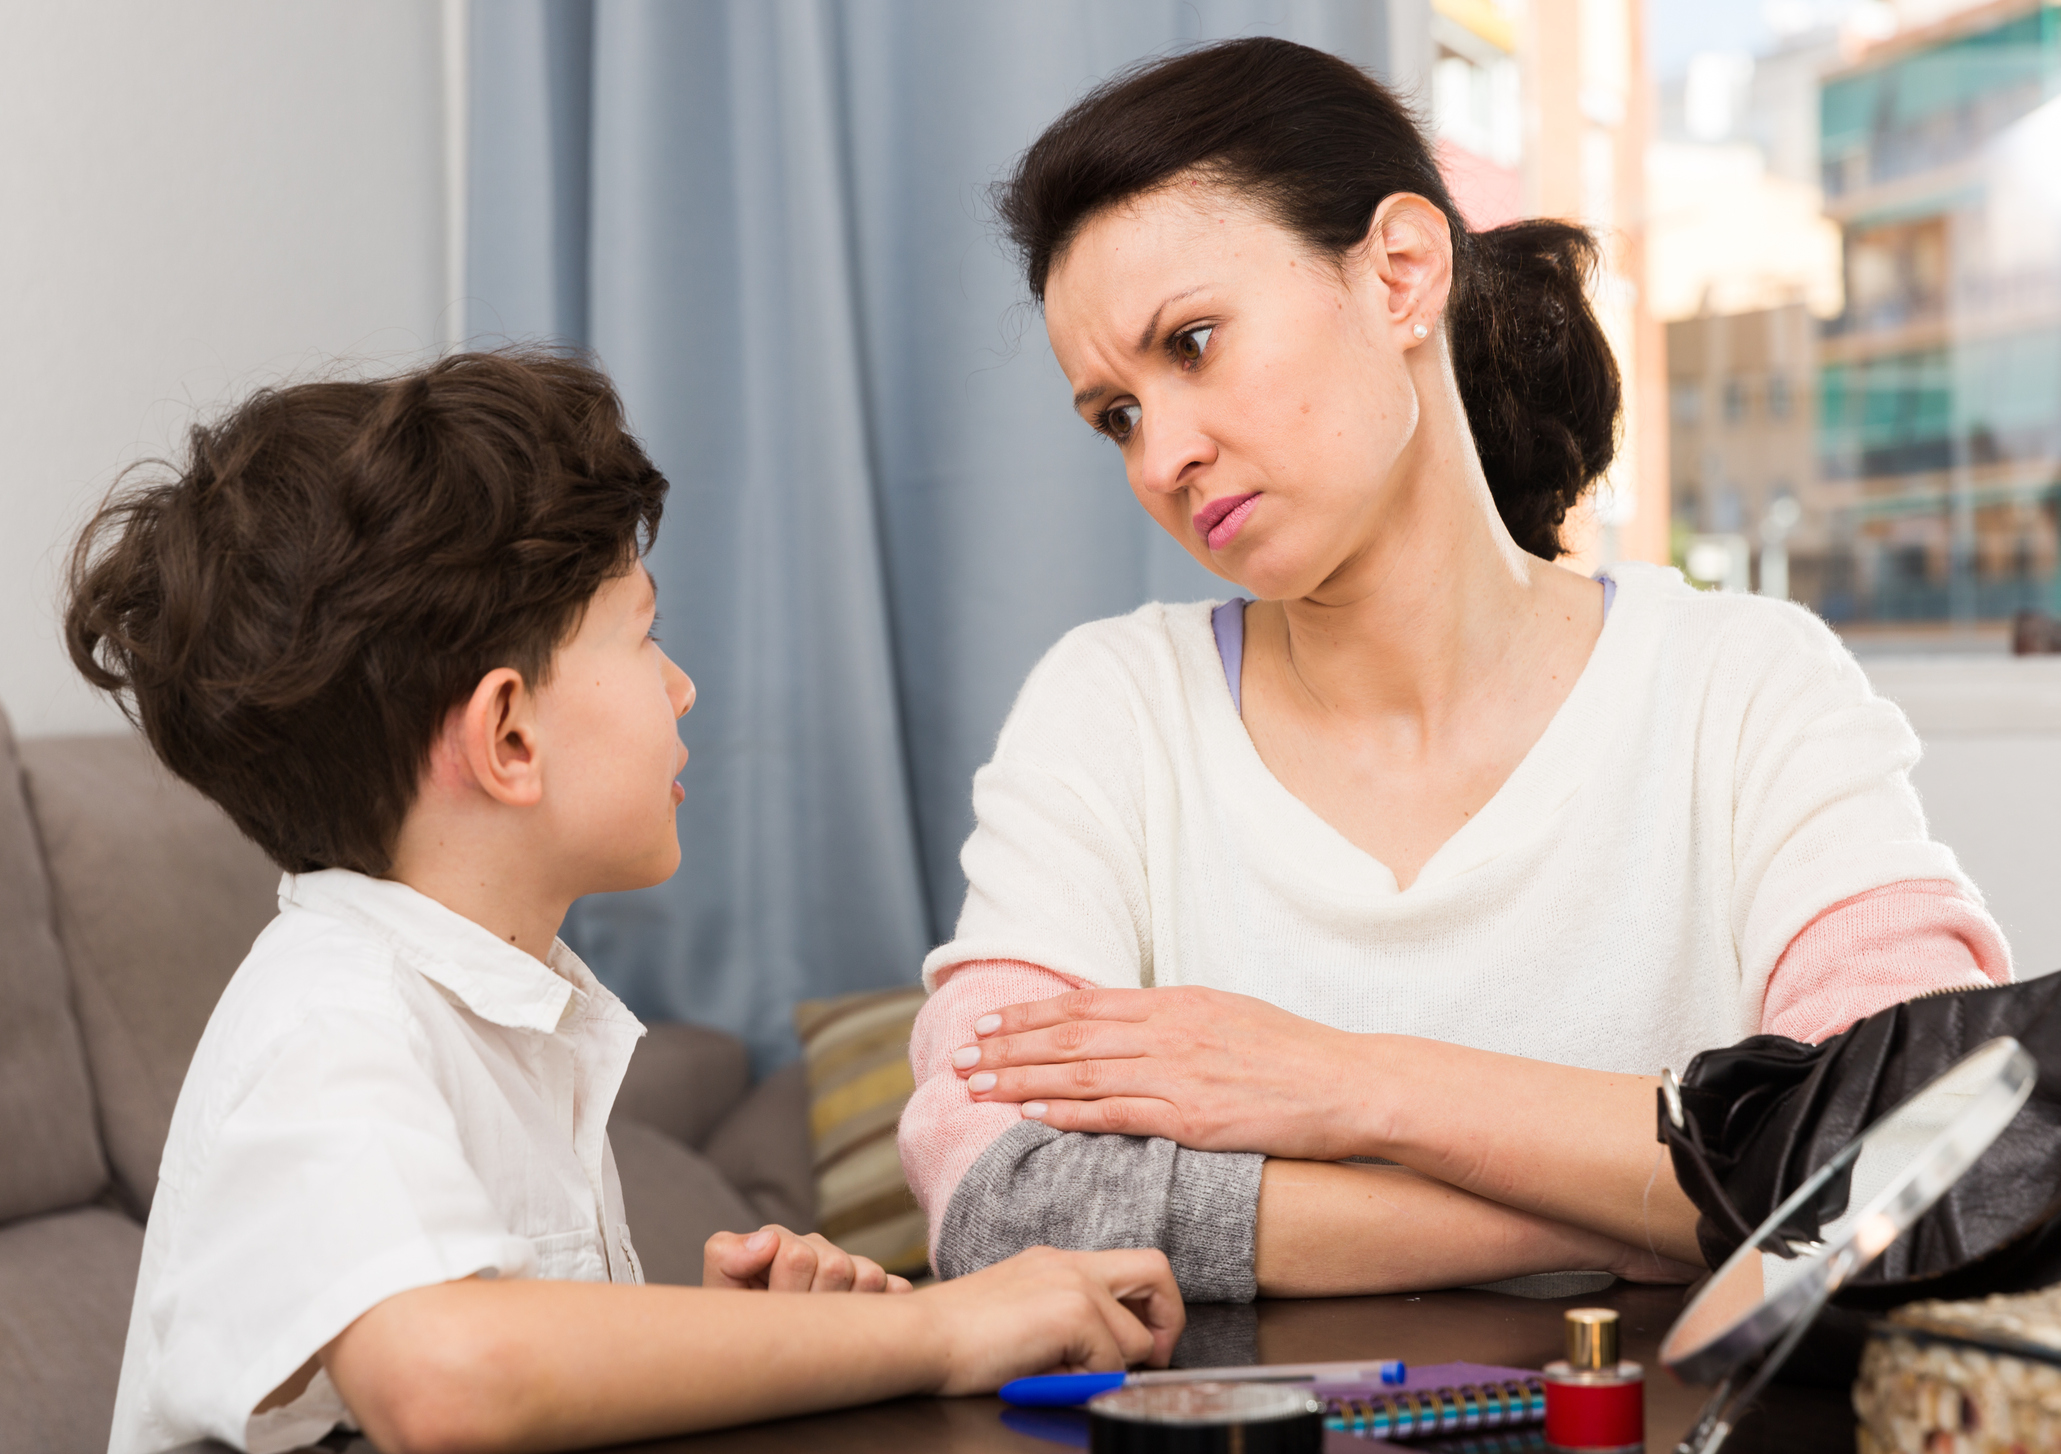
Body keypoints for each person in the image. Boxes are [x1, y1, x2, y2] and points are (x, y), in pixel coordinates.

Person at [897, 38, 2011, 1302]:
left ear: (1401, 272)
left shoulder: (1745, 686)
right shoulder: (1113, 711)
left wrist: (1349, 1083)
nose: (1161, 457)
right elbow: (1001, 1195)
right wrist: (1646, 1215)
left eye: (1194, 343)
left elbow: (1936, 1137)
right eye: (1118, 414)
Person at [69, 350, 1182, 1454]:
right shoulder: (329, 1016)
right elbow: (446, 1378)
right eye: (644, 633)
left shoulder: (507, 1010)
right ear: (509, 736)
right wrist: (945, 1327)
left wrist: (726, 1350)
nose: (682, 683)